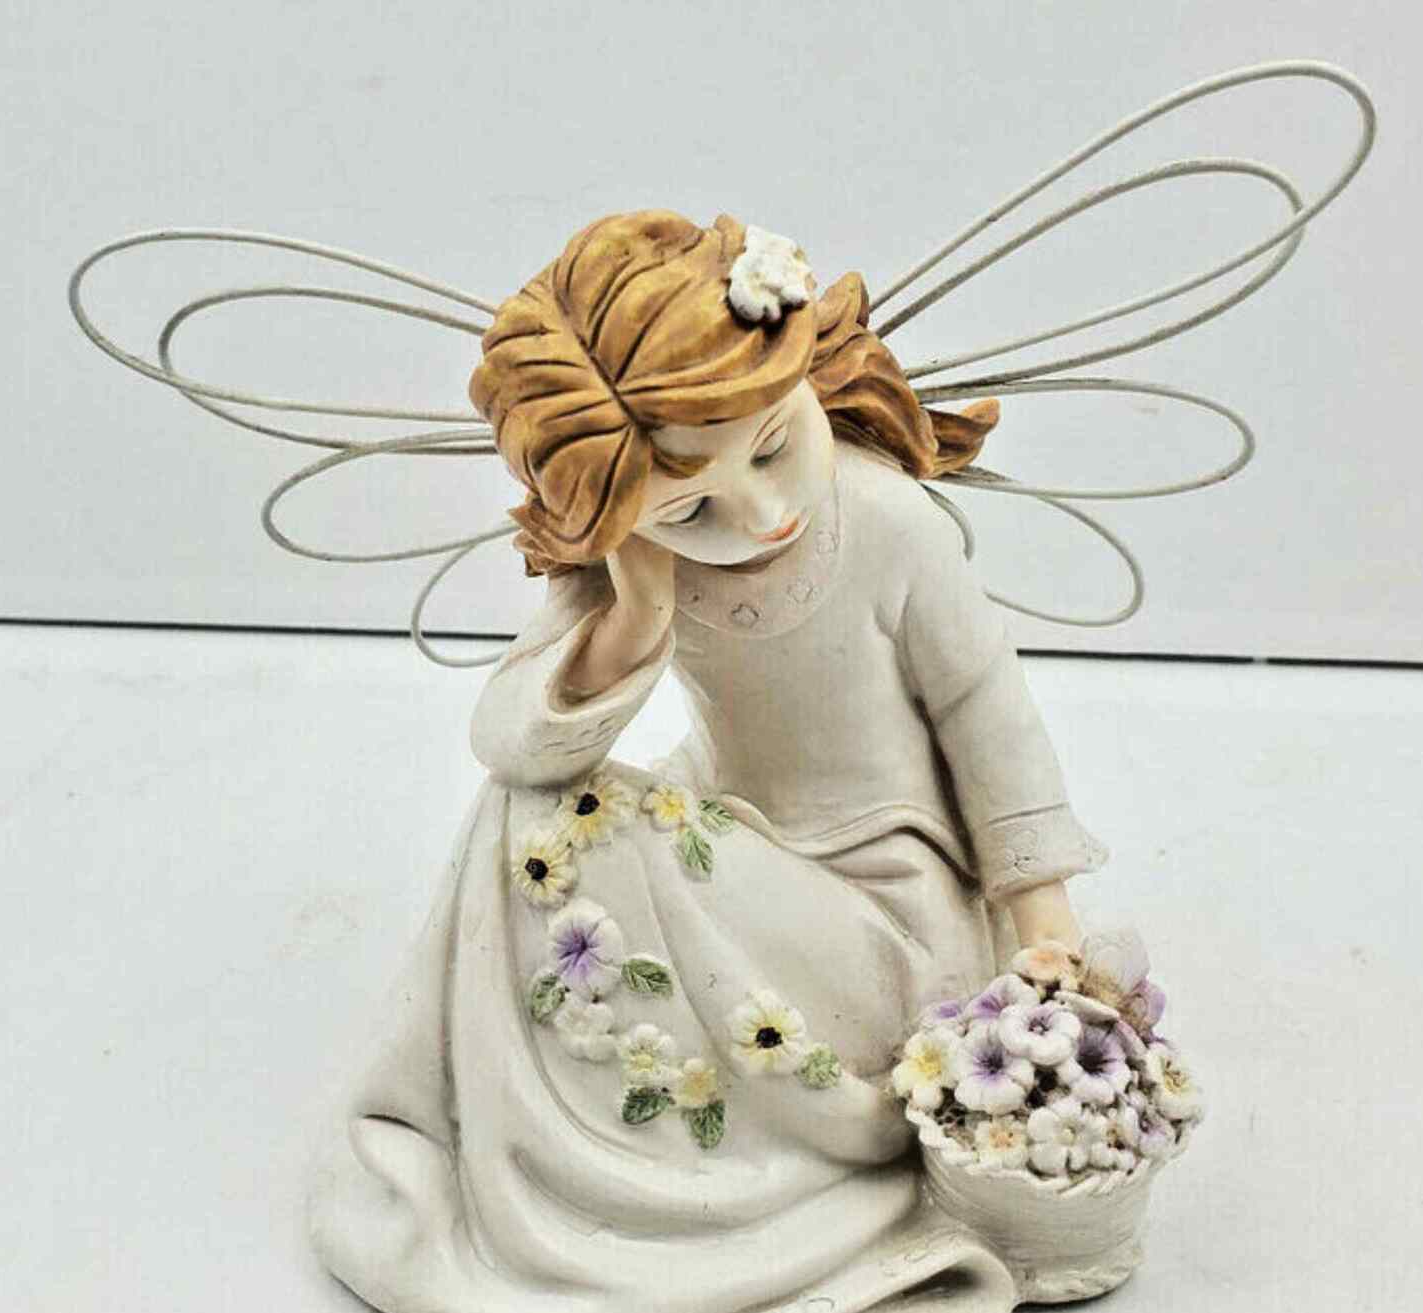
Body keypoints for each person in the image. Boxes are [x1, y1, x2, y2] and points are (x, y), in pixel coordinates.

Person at [311, 210, 1109, 1313]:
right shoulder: (642, 558)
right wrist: (636, 609)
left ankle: (653, 1157)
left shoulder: (889, 523)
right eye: (692, 505)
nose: (762, 512)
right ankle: (570, 1154)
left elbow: (991, 723)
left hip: (887, 915)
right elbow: (510, 743)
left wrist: (1048, 939)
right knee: (527, 814)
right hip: (740, 858)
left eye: (774, 446)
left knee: (576, 828)